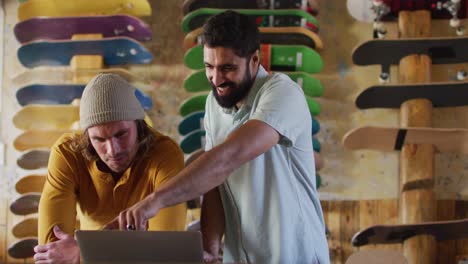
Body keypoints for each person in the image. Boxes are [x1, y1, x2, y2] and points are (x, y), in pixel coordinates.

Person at [105, 10, 330, 263]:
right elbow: (214, 182)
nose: (216, 78)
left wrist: (155, 201)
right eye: (209, 67)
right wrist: (209, 249)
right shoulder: (214, 104)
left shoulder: (282, 93)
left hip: (295, 256)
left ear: (254, 60)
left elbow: (228, 157)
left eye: (227, 68)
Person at [33, 73, 187, 264]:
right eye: (99, 139)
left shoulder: (166, 154)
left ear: (139, 126)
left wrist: (82, 253)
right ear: (87, 136)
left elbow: (165, 251)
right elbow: (51, 253)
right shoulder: (67, 153)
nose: (113, 150)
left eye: (121, 134)